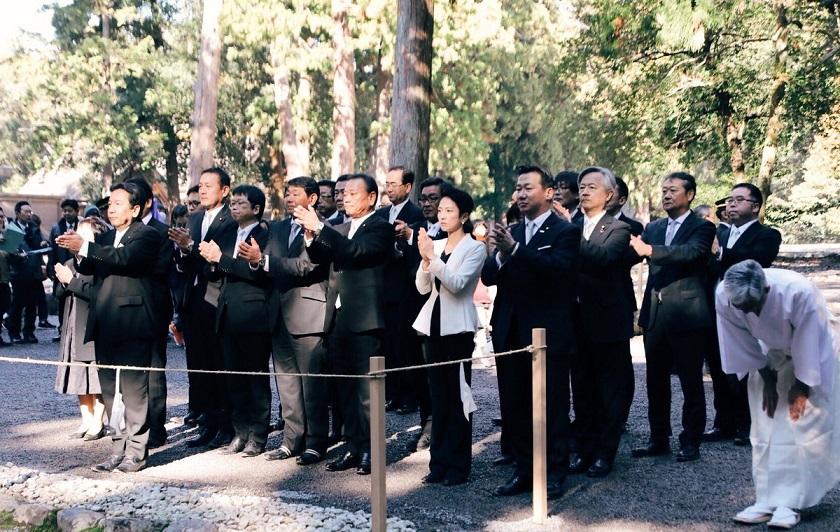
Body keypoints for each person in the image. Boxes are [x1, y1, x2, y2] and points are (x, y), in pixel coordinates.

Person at [717, 260, 840, 529]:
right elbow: (738, 340)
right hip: (769, 353)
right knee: (765, 423)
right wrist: (767, 379)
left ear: (767, 289)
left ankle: (791, 502)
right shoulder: (724, 295)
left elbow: (810, 340)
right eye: (742, 308)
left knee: (801, 424)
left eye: (753, 306)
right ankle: (767, 498)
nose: (748, 312)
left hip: (813, 352)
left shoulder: (798, 292)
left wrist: (802, 386)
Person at [482, 164, 580, 499]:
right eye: (518, 188)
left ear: (549, 193)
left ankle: (553, 473)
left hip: (547, 333)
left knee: (551, 406)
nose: (520, 194)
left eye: (528, 188)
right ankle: (524, 469)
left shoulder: (564, 232)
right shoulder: (512, 231)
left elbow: (560, 272)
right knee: (516, 406)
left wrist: (516, 251)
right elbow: (489, 277)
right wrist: (499, 254)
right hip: (510, 331)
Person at [56, 181, 161, 473]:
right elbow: (90, 268)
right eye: (109, 204)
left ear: (135, 209)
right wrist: (79, 252)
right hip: (104, 322)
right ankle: (117, 449)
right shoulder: (105, 237)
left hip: (133, 323)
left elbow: (124, 259)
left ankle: (136, 453)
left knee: (134, 392)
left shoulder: (147, 235)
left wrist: (85, 247)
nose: (111, 209)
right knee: (111, 393)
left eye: (117, 203)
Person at [296, 173, 393, 476]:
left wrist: (320, 228)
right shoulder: (339, 228)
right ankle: (353, 445)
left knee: (368, 391)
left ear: (372, 197)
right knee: (345, 390)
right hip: (337, 318)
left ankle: (371, 450)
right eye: (343, 194)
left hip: (365, 320)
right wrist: (311, 235)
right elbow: (318, 256)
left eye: (352, 193)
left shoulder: (380, 227)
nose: (345, 198)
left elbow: (355, 252)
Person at [237, 176, 331, 464]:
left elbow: (305, 265)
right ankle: (291, 440)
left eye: (295, 194)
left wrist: (263, 261)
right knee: (287, 384)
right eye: (287, 194)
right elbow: (265, 262)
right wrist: (256, 261)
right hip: (279, 312)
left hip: (309, 313)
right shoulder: (277, 227)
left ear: (312, 198)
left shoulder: (322, 228)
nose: (289, 198)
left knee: (312, 385)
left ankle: (316, 442)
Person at [629, 172, 716, 463]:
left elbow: (690, 253)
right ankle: (658, 437)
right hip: (655, 313)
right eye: (664, 190)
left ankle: (690, 440)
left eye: (672, 190)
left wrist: (650, 250)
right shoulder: (654, 227)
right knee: (655, 379)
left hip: (687, 313)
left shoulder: (702, 227)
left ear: (689, 195)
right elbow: (633, 254)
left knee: (691, 380)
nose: (666, 195)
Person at [412, 186, 484, 487]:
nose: (442, 216)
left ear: (463, 216)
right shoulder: (436, 244)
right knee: (438, 397)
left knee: (458, 396)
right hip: (432, 326)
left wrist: (433, 259)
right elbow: (422, 288)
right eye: (440, 210)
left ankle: (458, 463)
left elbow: (457, 284)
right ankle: (438, 462)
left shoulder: (474, 248)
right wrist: (425, 260)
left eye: (449, 211)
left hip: (458, 329)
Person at [704, 184, 782, 446]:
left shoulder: (768, 234)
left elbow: (757, 260)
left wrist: (721, 253)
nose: (731, 204)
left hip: (745, 309)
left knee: (747, 366)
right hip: (715, 308)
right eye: (730, 200)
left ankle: (747, 423)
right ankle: (723, 421)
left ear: (755, 206)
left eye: (739, 200)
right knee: (718, 366)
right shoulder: (719, 234)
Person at [569, 167, 634, 478]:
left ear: (609, 195)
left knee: (610, 392)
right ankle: (584, 450)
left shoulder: (620, 228)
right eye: (581, 186)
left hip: (608, 322)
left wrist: (570, 236)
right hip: (575, 321)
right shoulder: (571, 226)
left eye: (591, 187)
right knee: (582, 391)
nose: (583, 191)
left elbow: (603, 258)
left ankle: (605, 453)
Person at [198, 185, 272, 458]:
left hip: (253, 314)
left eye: (241, 203)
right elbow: (214, 272)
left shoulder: (264, 234)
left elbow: (255, 272)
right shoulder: (227, 233)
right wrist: (212, 261)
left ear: (256, 208)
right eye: (233, 203)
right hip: (226, 312)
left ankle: (258, 435)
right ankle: (240, 432)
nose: (234, 207)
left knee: (256, 378)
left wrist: (221, 260)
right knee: (234, 378)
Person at [169, 168, 238, 446]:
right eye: (200, 186)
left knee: (221, 365)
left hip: (218, 300)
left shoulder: (232, 219)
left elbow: (220, 260)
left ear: (225, 190)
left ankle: (228, 425)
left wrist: (192, 245)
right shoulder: (195, 218)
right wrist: (184, 250)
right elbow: (188, 263)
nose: (203, 190)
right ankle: (207, 423)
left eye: (209, 185)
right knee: (199, 366)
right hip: (193, 300)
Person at [126, 177, 175, 449]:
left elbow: (160, 269)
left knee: (154, 370)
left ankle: (156, 428)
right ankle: (132, 426)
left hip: (153, 307)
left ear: (145, 203)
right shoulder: (120, 231)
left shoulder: (162, 231)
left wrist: (124, 263)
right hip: (123, 311)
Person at [54, 217, 108, 441]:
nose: (78, 237)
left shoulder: (100, 263)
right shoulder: (69, 262)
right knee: (77, 374)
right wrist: (63, 279)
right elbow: (58, 295)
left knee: (95, 375)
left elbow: (100, 295)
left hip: (92, 325)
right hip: (72, 324)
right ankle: (86, 418)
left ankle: (98, 421)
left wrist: (71, 281)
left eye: (85, 235)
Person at [376, 166, 425, 414]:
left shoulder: (417, 214)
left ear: (407, 187)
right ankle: (392, 393)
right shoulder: (381, 214)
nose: (389, 188)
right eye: (387, 184)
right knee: (388, 345)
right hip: (382, 287)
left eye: (394, 184)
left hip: (406, 288)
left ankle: (411, 396)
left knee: (406, 343)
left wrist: (400, 246)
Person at [7, 201, 49, 344]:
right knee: (17, 304)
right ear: (17, 213)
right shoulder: (12, 229)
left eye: (30, 211)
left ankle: (29, 332)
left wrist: (43, 244)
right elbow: (9, 253)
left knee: (32, 304)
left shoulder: (34, 227)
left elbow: (41, 243)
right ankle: (14, 332)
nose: (29, 214)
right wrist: (18, 256)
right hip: (19, 273)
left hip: (34, 272)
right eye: (26, 212)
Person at [49, 199, 83, 340]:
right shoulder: (56, 228)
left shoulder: (82, 226)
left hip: (79, 268)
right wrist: (52, 270)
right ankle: (62, 329)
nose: (67, 214)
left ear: (77, 211)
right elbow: (52, 250)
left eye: (70, 211)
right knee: (62, 300)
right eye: (65, 211)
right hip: (62, 268)